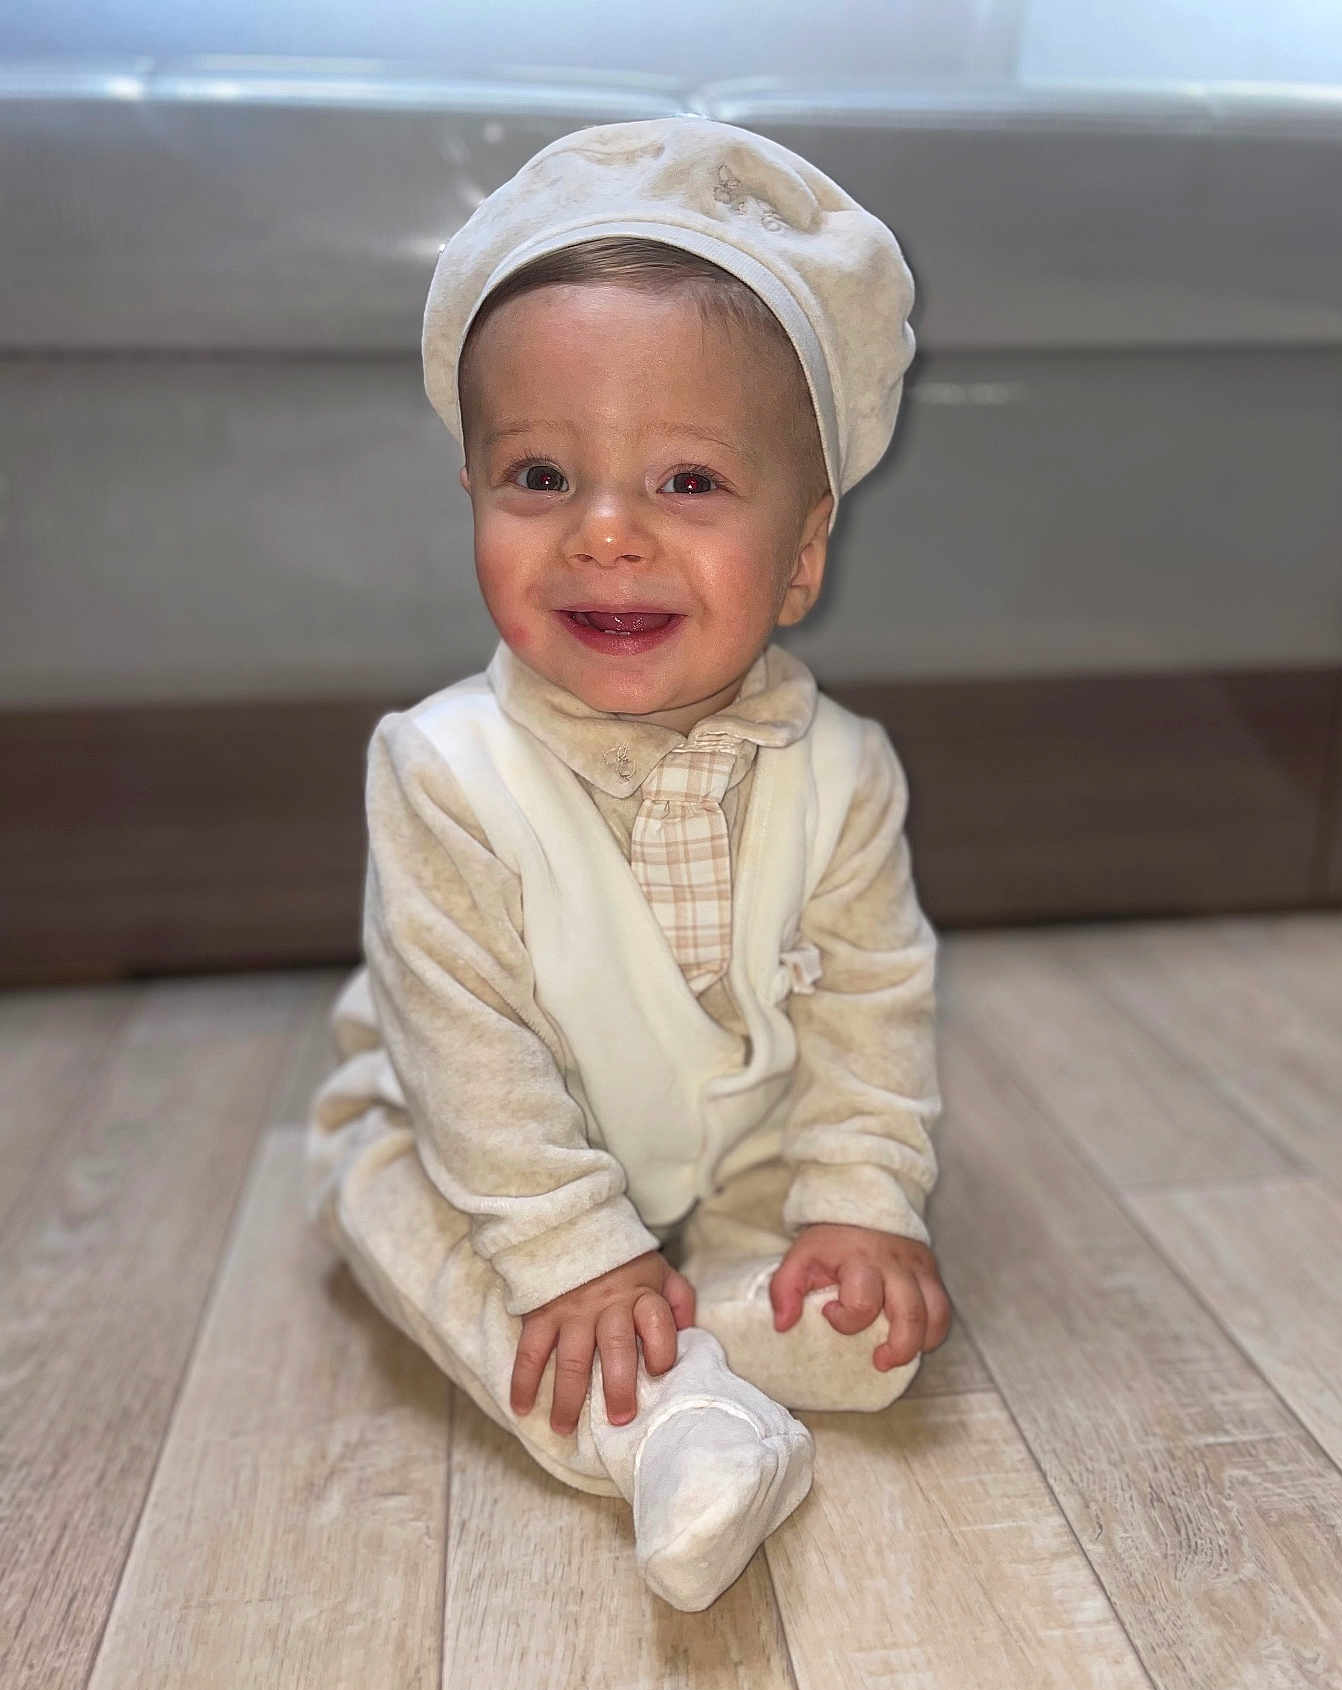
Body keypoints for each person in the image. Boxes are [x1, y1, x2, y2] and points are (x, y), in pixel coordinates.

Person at [304, 117, 950, 1612]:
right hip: (480, 1153)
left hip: (735, 1148)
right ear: (473, 495)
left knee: (873, 1325)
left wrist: (861, 1202)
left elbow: (869, 1011)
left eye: (688, 484)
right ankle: (665, 1425)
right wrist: (573, 1257)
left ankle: (702, 1325)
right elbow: (469, 1052)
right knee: (391, 1206)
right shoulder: (444, 771)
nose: (605, 534)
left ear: (804, 552)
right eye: (540, 475)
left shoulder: (845, 773)